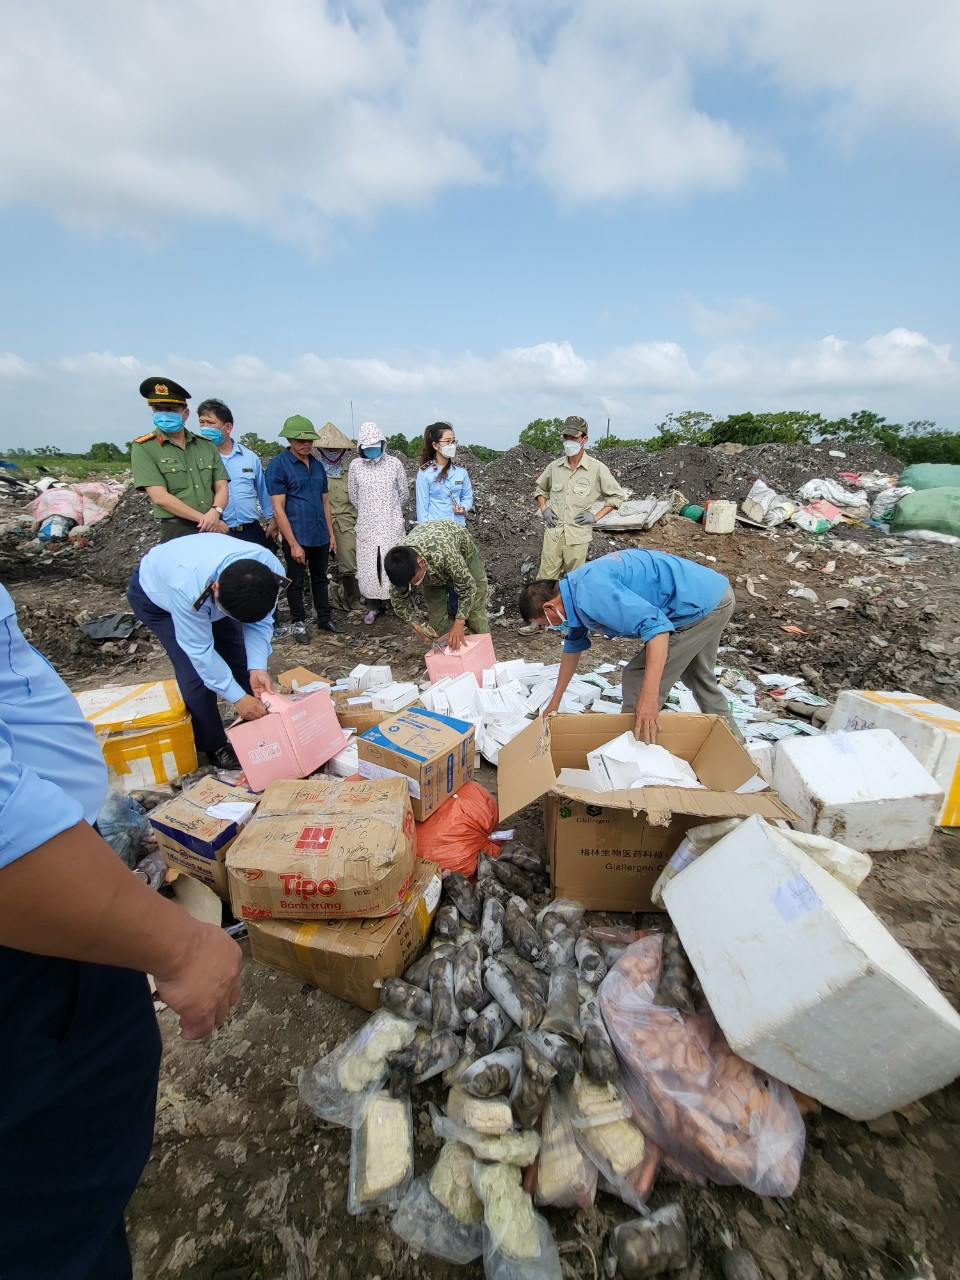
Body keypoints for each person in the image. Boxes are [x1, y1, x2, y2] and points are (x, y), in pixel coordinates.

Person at [0, 582, 243, 1280]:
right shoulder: (185, 584)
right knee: (50, 1222)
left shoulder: (248, 569)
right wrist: (180, 944)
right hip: (29, 934)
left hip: (49, 901)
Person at [518, 549, 739, 743]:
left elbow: (658, 630)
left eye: (544, 624)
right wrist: (554, 703)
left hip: (696, 607)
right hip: (713, 594)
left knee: (637, 677)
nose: (550, 628)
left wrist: (649, 698)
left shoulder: (591, 595)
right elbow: (572, 649)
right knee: (699, 677)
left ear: (549, 608)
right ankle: (736, 746)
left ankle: (632, 756)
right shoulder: (574, 592)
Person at [127, 533, 286, 769]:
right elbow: (200, 652)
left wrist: (258, 666)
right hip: (158, 597)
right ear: (216, 588)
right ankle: (213, 744)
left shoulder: (268, 569)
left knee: (237, 656)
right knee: (194, 673)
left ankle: (255, 721)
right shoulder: (186, 587)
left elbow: (260, 622)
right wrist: (237, 697)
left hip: (215, 591)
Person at [520, 415, 626, 633]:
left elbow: (616, 496)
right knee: (545, 579)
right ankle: (540, 621)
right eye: (566, 436)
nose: (569, 441)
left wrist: (596, 517)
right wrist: (544, 508)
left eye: (573, 437)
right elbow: (540, 489)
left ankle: (574, 623)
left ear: (584, 439)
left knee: (575, 581)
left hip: (577, 535)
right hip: (554, 532)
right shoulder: (555, 467)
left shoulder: (596, 469)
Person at [265, 415, 342, 643]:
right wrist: (293, 543)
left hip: (319, 534)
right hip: (297, 534)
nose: (306, 445)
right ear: (289, 439)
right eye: (301, 441)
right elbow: (278, 508)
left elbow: (325, 502)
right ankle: (299, 623)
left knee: (320, 577)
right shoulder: (279, 466)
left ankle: (324, 618)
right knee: (295, 581)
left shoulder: (317, 466)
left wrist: (331, 535)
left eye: (309, 440)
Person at [130, 376, 230, 542]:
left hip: (215, 522)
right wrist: (207, 521)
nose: (164, 414)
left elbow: (221, 486)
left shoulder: (205, 445)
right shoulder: (144, 447)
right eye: (158, 409)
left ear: (185, 413)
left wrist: (216, 511)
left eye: (171, 409)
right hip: (177, 529)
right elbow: (160, 498)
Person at [385, 521, 490, 652]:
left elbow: (468, 587)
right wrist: (416, 625)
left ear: (421, 563)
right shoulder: (399, 566)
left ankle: (483, 653)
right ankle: (450, 654)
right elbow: (398, 600)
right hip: (432, 564)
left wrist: (459, 622)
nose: (413, 585)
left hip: (463, 556)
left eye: (415, 580)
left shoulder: (444, 553)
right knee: (436, 620)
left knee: (474, 610)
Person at [348, 421, 409, 625]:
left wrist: (389, 510)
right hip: (367, 523)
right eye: (368, 448)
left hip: (390, 522)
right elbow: (354, 496)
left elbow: (404, 493)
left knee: (393, 561)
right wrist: (370, 510)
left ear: (382, 444)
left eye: (375, 446)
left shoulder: (394, 464)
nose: (372, 450)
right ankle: (373, 606)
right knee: (369, 566)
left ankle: (397, 603)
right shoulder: (355, 466)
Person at [196, 398, 277, 547]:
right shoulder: (198, 458)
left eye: (211, 423)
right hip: (217, 531)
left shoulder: (249, 457)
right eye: (202, 422)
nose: (205, 428)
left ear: (227, 427)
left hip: (250, 530)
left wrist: (272, 520)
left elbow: (262, 490)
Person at [313, 420, 361, 611]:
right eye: (328, 448)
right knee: (317, 564)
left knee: (349, 560)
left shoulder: (351, 470)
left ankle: (353, 597)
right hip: (320, 522)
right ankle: (321, 601)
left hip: (345, 522)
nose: (332, 451)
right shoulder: (314, 469)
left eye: (336, 448)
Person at [416, 422, 474, 525]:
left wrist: (463, 507)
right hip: (435, 530)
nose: (451, 445)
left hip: (457, 526)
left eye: (453, 441)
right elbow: (422, 508)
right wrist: (425, 532)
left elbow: (468, 496)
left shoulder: (461, 472)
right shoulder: (425, 473)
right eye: (447, 441)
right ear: (435, 445)